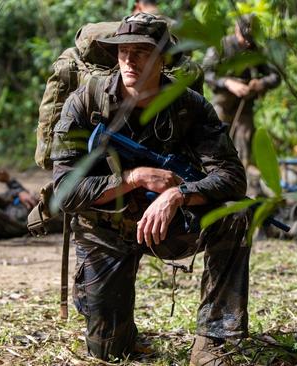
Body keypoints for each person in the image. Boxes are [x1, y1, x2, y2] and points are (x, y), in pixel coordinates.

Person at [51, 13, 251, 364]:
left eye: (141, 52)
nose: (128, 60)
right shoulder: (85, 103)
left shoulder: (189, 106)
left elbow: (232, 176)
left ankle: (214, 341)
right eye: (122, 50)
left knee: (236, 213)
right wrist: (135, 178)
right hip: (105, 229)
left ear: (162, 60)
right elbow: (64, 191)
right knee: (110, 352)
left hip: (168, 225)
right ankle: (119, 326)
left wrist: (179, 194)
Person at [203, 14, 280, 166]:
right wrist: (227, 82)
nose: (246, 42)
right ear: (236, 29)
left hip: (245, 107)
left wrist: (261, 83)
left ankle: (244, 184)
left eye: (250, 38)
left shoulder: (257, 50)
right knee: (216, 146)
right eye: (244, 37)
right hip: (222, 106)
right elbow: (205, 72)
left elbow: (276, 76)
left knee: (244, 149)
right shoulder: (221, 46)